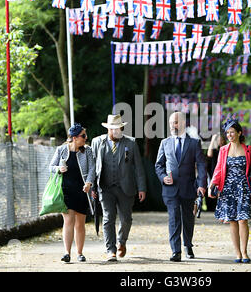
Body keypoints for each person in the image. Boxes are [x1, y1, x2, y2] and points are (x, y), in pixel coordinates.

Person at [89, 114, 147, 262]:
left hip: (126, 187)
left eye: (118, 128)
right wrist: (92, 187)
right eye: (112, 129)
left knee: (126, 219)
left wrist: (142, 188)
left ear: (122, 128)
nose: (115, 131)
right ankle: (111, 250)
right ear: (108, 129)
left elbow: (139, 168)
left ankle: (122, 241)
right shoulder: (97, 142)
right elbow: (93, 167)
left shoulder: (131, 143)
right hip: (105, 187)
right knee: (108, 218)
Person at [155, 112, 207, 262]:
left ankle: (188, 245)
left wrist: (202, 184)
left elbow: (202, 165)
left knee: (188, 218)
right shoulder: (165, 143)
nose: (173, 125)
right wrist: (163, 177)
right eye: (171, 122)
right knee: (174, 218)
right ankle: (175, 251)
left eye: (176, 122)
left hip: (189, 187)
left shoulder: (194, 143)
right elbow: (158, 165)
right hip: (170, 188)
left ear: (183, 123)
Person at [208, 118, 251, 263]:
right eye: (227, 133)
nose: (229, 135)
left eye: (232, 132)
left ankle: (244, 252)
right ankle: (237, 253)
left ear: (239, 132)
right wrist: (211, 186)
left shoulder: (248, 149)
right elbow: (218, 169)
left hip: (243, 188)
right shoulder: (223, 150)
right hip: (227, 189)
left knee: (243, 220)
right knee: (232, 221)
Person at [49, 123, 93, 263]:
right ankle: (66, 253)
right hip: (65, 190)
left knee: (80, 223)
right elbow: (50, 167)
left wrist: (89, 183)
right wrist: (58, 169)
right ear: (74, 138)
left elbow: (92, 169)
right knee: (68, 221)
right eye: (83, 136)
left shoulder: (87, 151)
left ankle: (79, 253)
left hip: (82, 191)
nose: (85, 138)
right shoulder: (61, 150)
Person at [206, 133, 227, 211]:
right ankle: (211, 208)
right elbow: (209, 154)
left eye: (221, 139)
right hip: (214, 175)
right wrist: (213, 139)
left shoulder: (226, 150)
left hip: (224, 175)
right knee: (213, 191)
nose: (220, 141)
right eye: (218, 140)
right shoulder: (215, 151)